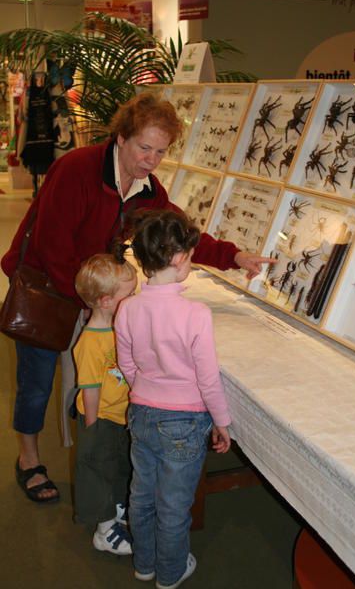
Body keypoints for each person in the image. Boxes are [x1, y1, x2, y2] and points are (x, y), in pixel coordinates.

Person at [1, 91, 272, 503]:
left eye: (160, 152)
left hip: (96, 293)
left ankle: (98, 458)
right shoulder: (77, 169)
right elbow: (54, 249)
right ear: (121, 138)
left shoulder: (147, 189)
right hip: (48, 288)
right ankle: (29, 459)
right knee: (36, 383)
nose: (151, 159)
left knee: (98, 375)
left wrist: (233, 256)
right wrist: (93, 301)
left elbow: (177, 231)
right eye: (144, 147)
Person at [114, 209, 231, 589]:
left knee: (142, 494)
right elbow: (208, 378)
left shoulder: (127, 307)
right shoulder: (195, 313)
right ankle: (170, 571)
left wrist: (144, 389)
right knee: (174, 505)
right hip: (184, 421)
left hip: (142, 413)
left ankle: (144, 564)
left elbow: (127, 362)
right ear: (180, 259)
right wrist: (222, 422)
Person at [73, 253, 137, 555]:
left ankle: (117, 511)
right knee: (97, 470)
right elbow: (90, 388)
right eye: (130, 294)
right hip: (99, 418)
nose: (135, 299)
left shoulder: (118, 328)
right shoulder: (90, 341)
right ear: (106, 301)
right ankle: (104, 531)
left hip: (120, 414)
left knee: (118, 466)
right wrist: (93, 426)